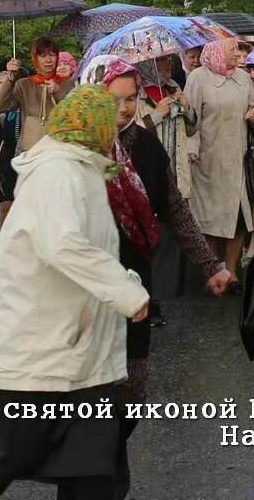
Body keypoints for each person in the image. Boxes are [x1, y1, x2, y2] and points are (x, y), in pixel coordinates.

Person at [0, 85, 151, 500]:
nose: (118, 121)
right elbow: (63, 244)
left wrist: (125, 286)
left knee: (93, 472)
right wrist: (125, 291)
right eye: (110, 115)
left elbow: (89, 249)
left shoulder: (82, 168)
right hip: (39, 351)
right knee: (6, 458)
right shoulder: (58, 172)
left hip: (76, 353)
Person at [100, 60, 230, 392]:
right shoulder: (83, 147)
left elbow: (174, 209)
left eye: (131, 98)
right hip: (92, 285)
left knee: (132, 386)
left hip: (135, 276)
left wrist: (210, 265)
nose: (124, 108)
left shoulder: (146, 145)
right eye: (116, 98)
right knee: (92, 394)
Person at [182, 38, 254, 289]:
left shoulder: (243, 78)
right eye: (232, 49)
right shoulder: (198, 78)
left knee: (237, 218)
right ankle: (213, 272)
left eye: (238, 49)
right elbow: (189, 121)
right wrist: (191, 149)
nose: (238, 54)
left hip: (237, 158)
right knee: (210, 219)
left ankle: (233, 272)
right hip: (208, 160)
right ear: (216, 52)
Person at [0, 37, 75, 226]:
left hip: (58, 160)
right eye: (42, 55)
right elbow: (2, 105)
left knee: (55, 215)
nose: (48, 60)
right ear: (35, 58)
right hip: (29, 158)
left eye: (52, 54)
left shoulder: (67, 82)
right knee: (31, 214)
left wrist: (58, 89)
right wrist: (11, 77)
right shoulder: (25, 85)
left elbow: (73, 115)